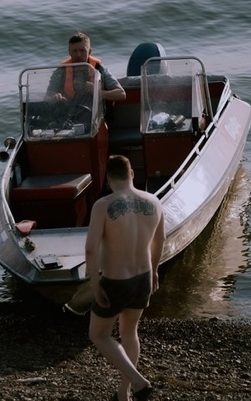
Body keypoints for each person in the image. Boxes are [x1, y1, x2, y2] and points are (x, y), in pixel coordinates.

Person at [85, 155, 165, 401]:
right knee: (129, 332)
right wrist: (155, 271)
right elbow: (160, 241)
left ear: (109, 179)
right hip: (143, 276)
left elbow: (90, 249)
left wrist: (95, 285)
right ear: (132, 174)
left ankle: (138, 382)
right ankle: (123, 393)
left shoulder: (103, 205)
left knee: (98, 335)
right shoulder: (154, 201)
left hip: (115, 281)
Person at [46, 32, 126, 104]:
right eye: (75, 51)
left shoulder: (99, 68)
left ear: (89, 52)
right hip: (68, 115)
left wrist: (97, 92)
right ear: (69, 52)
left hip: (95, 117)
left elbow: (121, 94)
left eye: (82, 50)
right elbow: (47, 96)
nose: (78, 55)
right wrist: (54, 98)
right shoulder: (61, 70)